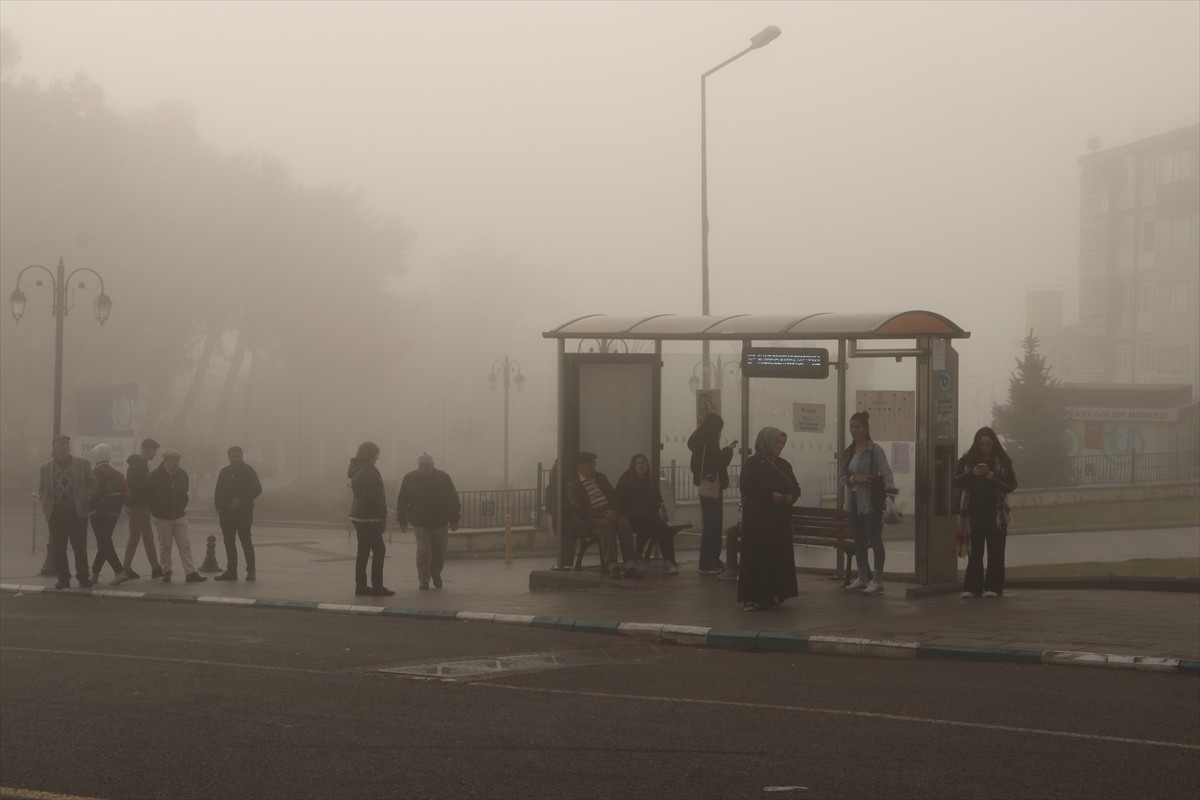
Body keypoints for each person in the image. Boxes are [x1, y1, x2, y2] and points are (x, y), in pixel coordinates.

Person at [737, 427, 801, 611]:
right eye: (776, 442)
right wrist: (769, 496)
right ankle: (751, 597)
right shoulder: (753, 463)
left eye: (782, 443)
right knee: (756, 556)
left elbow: (795, 488)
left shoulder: (784, 465)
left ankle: (773, 593)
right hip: (758, 520)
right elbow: (747, 487)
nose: (779, 446)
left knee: (776, 556)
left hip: (778, 520)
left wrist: (790, 497)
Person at [955, 427, 1018, 598]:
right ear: (976, 443)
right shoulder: (967, 460)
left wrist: (993, 478)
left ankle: (993, 587)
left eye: (988, 444)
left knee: (996, 552)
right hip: (973, 514)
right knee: (974, 553)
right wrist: (972, 473)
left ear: (994, 444)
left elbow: (1011, 485)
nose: (985, 448)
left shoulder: (1003, 461)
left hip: (996, 515)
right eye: (981, 444)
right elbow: (956, 480)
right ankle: (972, 587)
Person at [841, 411, 898, 595]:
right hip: (853, 501)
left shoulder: (875, 450)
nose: (853, 430)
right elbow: (842, 476)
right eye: (851, 426)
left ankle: (878, 579)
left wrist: (889, 494)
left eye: (857, 426)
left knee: (874, 538)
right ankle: (862, 576)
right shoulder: (848, 451)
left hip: (871, 502)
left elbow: (886, 472)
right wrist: (855, 478)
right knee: (858, 539)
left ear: (866, 429)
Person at [565, 452, 643, 579]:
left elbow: (614, 497)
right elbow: (578, 508)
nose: (593, 467)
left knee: (624, 524)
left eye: (593, 463)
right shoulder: (573, 485)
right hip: (589, 518)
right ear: (580, 466)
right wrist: (602, 514)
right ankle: (612, 565)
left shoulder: (601, 478)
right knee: (605, 526)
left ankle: (629, 564)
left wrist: (614, 511)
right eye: (589, 464)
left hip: (608, 512)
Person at [38, 435, 97, 589]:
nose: (64, 446)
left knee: (80, 547)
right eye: (61, 444)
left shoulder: (82, 464)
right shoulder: (45, 468)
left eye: (66, 443)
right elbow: (42, 488)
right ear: (54, 447)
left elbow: (92, 483)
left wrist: (85, 499)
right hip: (56, 513)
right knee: (59, 548)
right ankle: (63, 578)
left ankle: (83, 577)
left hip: (76, 512)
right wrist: (46, 502)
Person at [396, 453, 461, 590]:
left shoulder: (443, 478)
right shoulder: (409, 479)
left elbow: (452, 499)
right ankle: (424, 579)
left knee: (439, 551)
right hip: (420, 522)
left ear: (433, 465)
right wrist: (401, 519)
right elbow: (402, 500)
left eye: (427, 466)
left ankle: (435, 573)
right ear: (418, 466)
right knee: (423, 551)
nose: (424, 469)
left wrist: (455, 519)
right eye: (421, 466)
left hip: (440, 521)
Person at [144, 449, 207, 584]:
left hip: (179, 515)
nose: (176, 463)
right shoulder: (154, 476)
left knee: (185, 544)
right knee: (165, 545)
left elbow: (184, 490)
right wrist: (155, 510)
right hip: (162, 517)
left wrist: (182, 504)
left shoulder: (182, 474)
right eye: (173, 461)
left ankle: (190, 572)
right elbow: (148, 497)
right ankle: (166, 570)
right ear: (165, 461)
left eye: (177, 460)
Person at [615, 453, 678, 575]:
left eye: (643, 463)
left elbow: (656, 499)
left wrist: (652, 512)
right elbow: (621, 501)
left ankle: (667, 561)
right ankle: (638, 556)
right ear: (633, 466)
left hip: (648, 514)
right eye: (637, 463)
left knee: (662, 527)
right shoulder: (625, 480)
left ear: (647, 465)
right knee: (646, 524)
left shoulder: (651, 480)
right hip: (630, 516)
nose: (641, 466)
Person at [688, 413, 735, 574]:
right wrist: (728, 451)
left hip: (707, 485)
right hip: (712, 486)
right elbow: (719, 462)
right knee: (713, 524)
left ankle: (713, 559)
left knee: (712, 523)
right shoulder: (709, 441)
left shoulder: (700, 441)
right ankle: (708, 562)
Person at [348, 441, 393, 597]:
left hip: (359, 514)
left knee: (363, 551)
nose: (377, 459)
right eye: (376, 455)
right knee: (379, 550)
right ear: (370, 455)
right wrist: (383, 509)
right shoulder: (366, 471)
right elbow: (369, 496)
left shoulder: (357, 469)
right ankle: (377, 586)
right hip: (368, 517)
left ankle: (361, 586)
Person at [213, 445, 263, 582]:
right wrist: (219, 508)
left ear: (242, 456)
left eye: (238, 456)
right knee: (229, 542)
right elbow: (218, 491)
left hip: (244, 513)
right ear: (229, 457)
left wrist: (242, 500)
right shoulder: (224, 472)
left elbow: (257, 489)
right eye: (233, 457)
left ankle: (251, 571)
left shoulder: (248, 471)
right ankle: (231, 571)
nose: (236, 459)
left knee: (245, 541)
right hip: (226, 514)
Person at [87, 443, 131, 585]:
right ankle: (95, 573)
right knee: (105, 541)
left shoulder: (93, 474)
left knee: (103, 541)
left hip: (96, 512)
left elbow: (89, 494)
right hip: (113, 513)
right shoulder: (118, 474)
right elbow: (127, 494)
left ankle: (119, 572)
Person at [123, 438, 163, 580]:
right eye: (155, 451)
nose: (155, 454)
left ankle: (126, 568)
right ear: (148, 450)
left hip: (130, 506)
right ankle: (156, 568)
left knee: (133, 537)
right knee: (148, 537)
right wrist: (150, 503)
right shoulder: (142, 466)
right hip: (139, 507)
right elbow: (143, 489)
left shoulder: (134, 463)